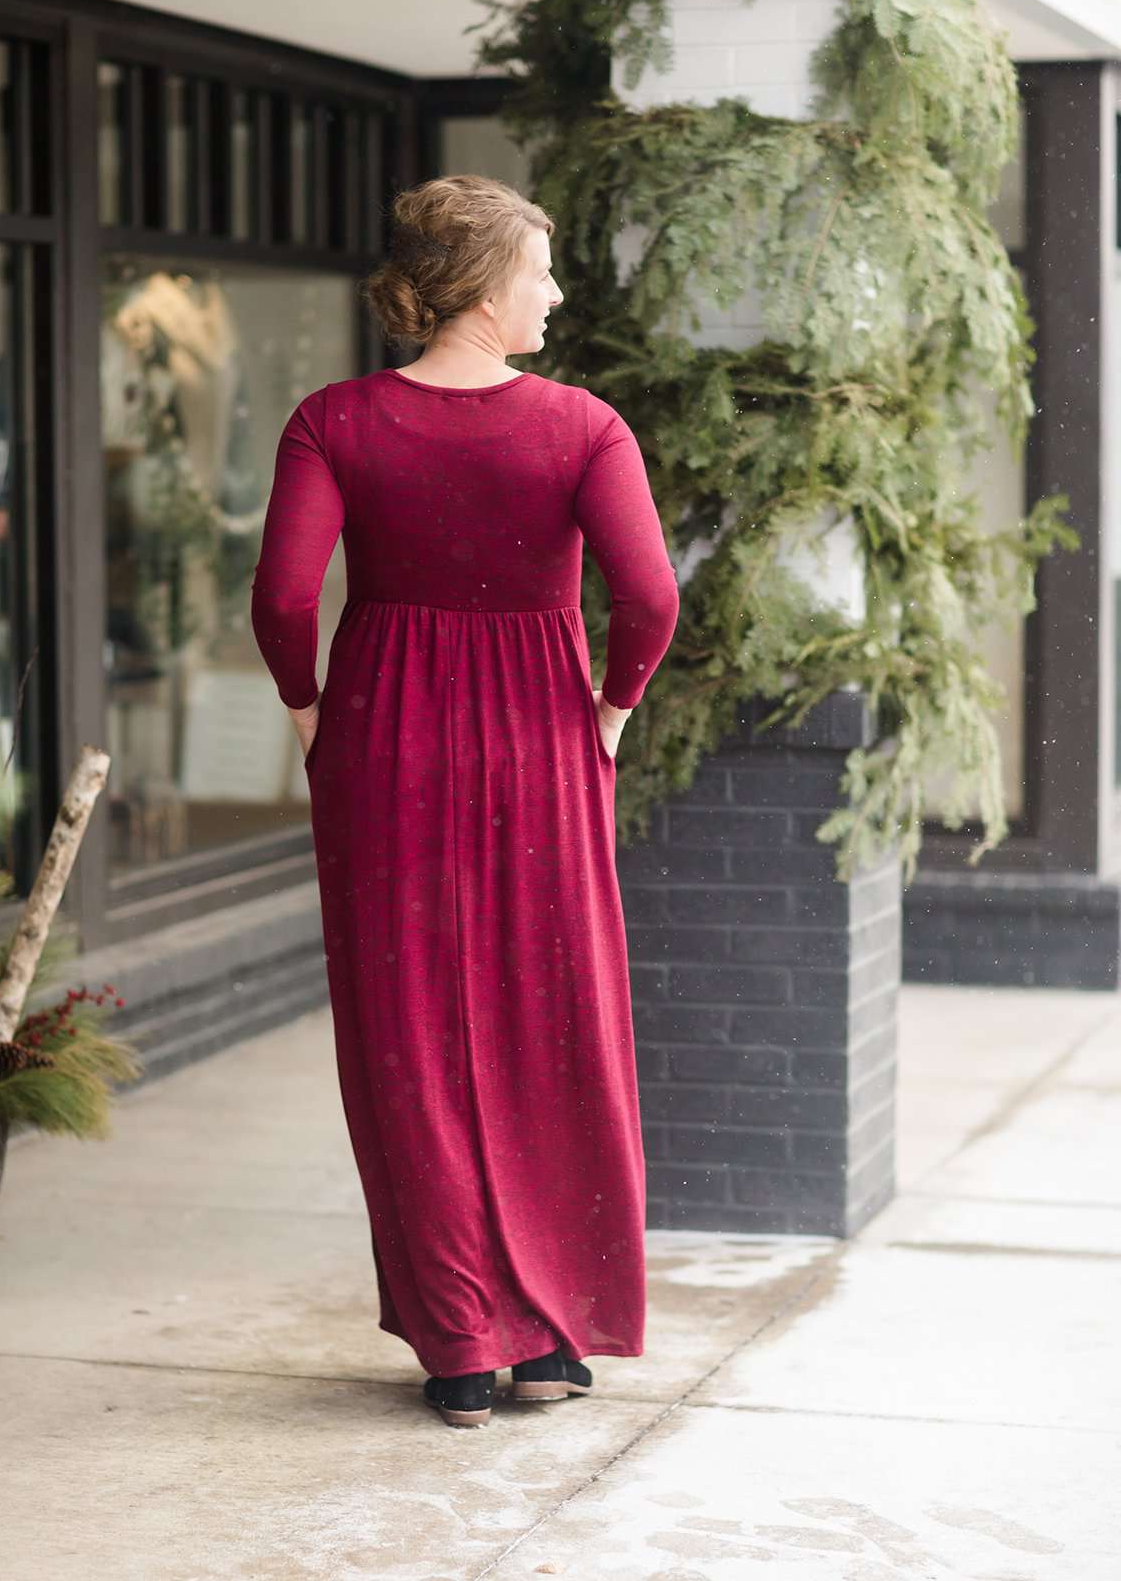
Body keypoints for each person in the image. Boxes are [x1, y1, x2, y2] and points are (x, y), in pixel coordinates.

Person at [250, 173, 680, 1429]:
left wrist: (309, 710)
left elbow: (282, 600)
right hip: (543, 742)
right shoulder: (581, 427)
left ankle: (459, 1346)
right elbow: (648, 601)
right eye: (541, 269)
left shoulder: (333, 419)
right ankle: (550, 1331)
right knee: (554, 1013)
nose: (554, 290)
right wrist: (608, 712)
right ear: (487, 285)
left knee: (410, 1033)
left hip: (385, 738)